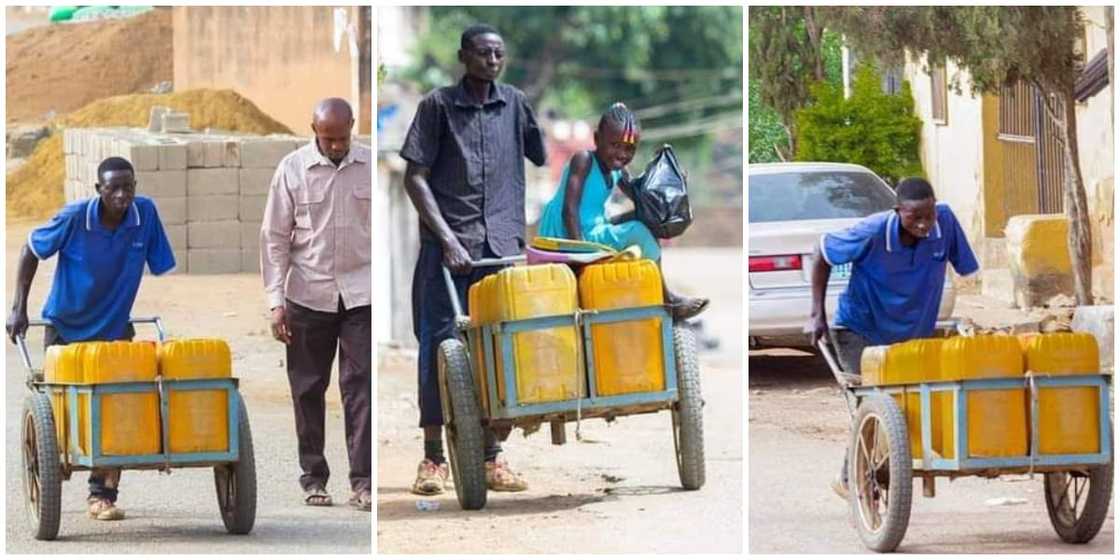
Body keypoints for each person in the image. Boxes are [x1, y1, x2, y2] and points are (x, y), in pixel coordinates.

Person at [400, 23, 546, 496]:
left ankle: (491, 457)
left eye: (499, 54)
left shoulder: (515, 103)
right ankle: (433, 459)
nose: (493, 61)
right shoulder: (437, 106)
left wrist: (536, 120)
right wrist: (447, 239)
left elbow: (540, 156)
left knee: (498, 350)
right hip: (448, 253)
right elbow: (414, 178)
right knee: (439, 348)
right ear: (464, 56)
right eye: (484, 53)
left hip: (499, 250)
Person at [6, 156, 176, 521]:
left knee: (119, 409)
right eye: (113, 188)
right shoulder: (74, 217)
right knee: (64, 413)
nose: (121, 195)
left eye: (127, 187)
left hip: (114, 327)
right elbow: (30, 249)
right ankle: (54, 460)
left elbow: (161, 264)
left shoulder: (145, 215)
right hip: (66, 327)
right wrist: (18, 307)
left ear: (135, 187)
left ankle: (102, 496)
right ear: (99, 189)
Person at [807, 177, 979, 498]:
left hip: (911, 334)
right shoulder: (873, 232)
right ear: (898, 211)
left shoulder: (945, 222)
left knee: (909, 403)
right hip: (860, 328)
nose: (924, 224)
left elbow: (966, 269)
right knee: (872, 400)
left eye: (929, 215)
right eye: (915, 217)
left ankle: (886, 466)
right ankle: (850, 479)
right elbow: (822, 252)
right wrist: (817, 314)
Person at [260, 97, 372, 511]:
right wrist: (276, 302)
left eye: (343, 138)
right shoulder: (291, 170)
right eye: (329, 139)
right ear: (314, 131)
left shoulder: (369, 166)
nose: (337, 146)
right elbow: (274, 239)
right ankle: (314, 478)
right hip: (307, 295)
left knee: (360, 388)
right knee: (307, 389)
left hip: (361, 295)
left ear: (352, 127)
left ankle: (364, 482)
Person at [537, 102, 709, 320]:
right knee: (637, 230)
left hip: (594, 228)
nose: (621, 154)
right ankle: (668, 300)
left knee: (644, 219)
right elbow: (569, 210)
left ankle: (658, 288)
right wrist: (580, 255)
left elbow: (643, 199)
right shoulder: (584, 160)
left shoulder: (617, 170)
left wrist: (671, 179)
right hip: (570, 234)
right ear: (597, 139)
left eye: (629, 149)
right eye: (614, 145)